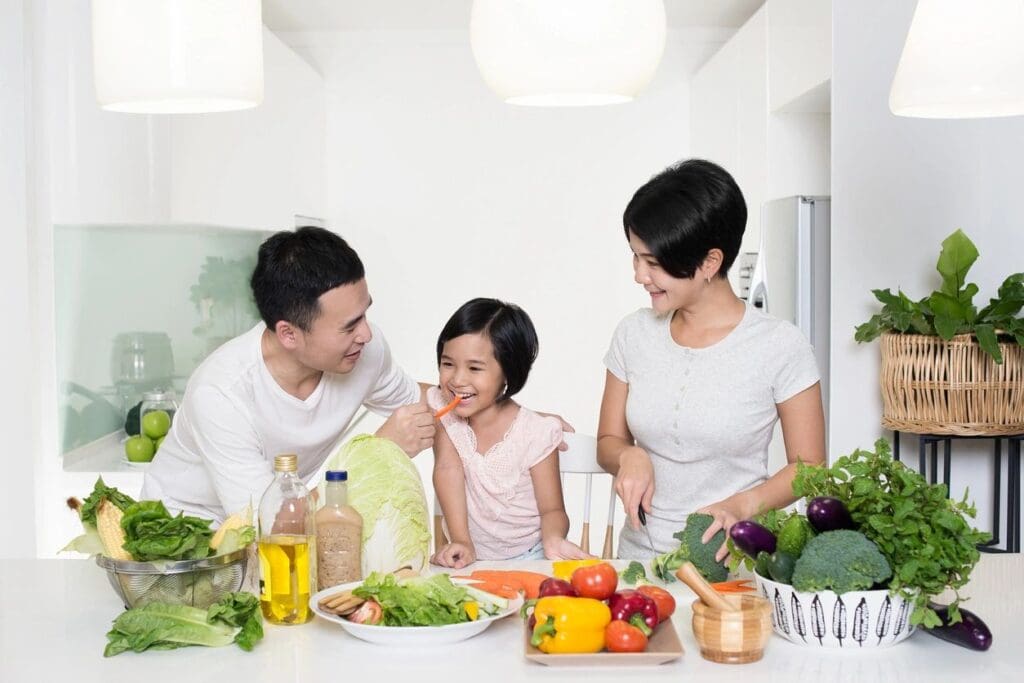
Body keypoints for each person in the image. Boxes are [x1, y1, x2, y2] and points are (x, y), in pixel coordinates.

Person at [596, 159, 826, 561]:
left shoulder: (779, 345)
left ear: (709, 263)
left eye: (653, 263)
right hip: (640, 561)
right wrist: (628, 455)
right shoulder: (633, 334)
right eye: (635, 257)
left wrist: (743, 506)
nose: (639, 275)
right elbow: (608, 443)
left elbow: (809, 468)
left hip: (732, 563)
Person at [141, 227, 435, 522]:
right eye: (349, 326)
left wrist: (474, 388)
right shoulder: (221, 393)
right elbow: (270, 528)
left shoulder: (362, 350)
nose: (366, 334)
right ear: (289, 334)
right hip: (183, 537)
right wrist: (378, 453)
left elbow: (420, 403)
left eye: (365, 314)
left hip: (280, 523)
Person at [428, 298, 592, 568]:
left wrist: (553, 539)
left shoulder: (536, 433)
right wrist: (462, 541)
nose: (457, 380)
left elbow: (553, 509)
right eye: (448, 364)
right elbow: (448, 469)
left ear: (508, 372)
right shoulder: (445, 412)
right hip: (466, 558)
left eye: (474, 368)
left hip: (530, 558)